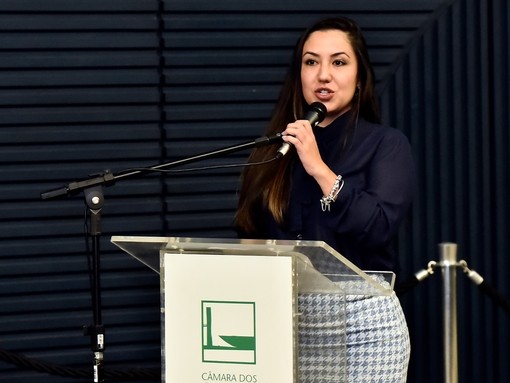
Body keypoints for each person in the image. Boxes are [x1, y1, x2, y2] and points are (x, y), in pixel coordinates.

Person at [234, 16, 415, 383]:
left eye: (339, 62)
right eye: (311, 62)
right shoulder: (276, 150)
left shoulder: (386, 144)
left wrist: (318, 167)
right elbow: (252, 236)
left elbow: (378, 227)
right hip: (283, 324)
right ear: (298, 74)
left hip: (363, 327)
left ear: (359, 76)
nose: (323, 75)